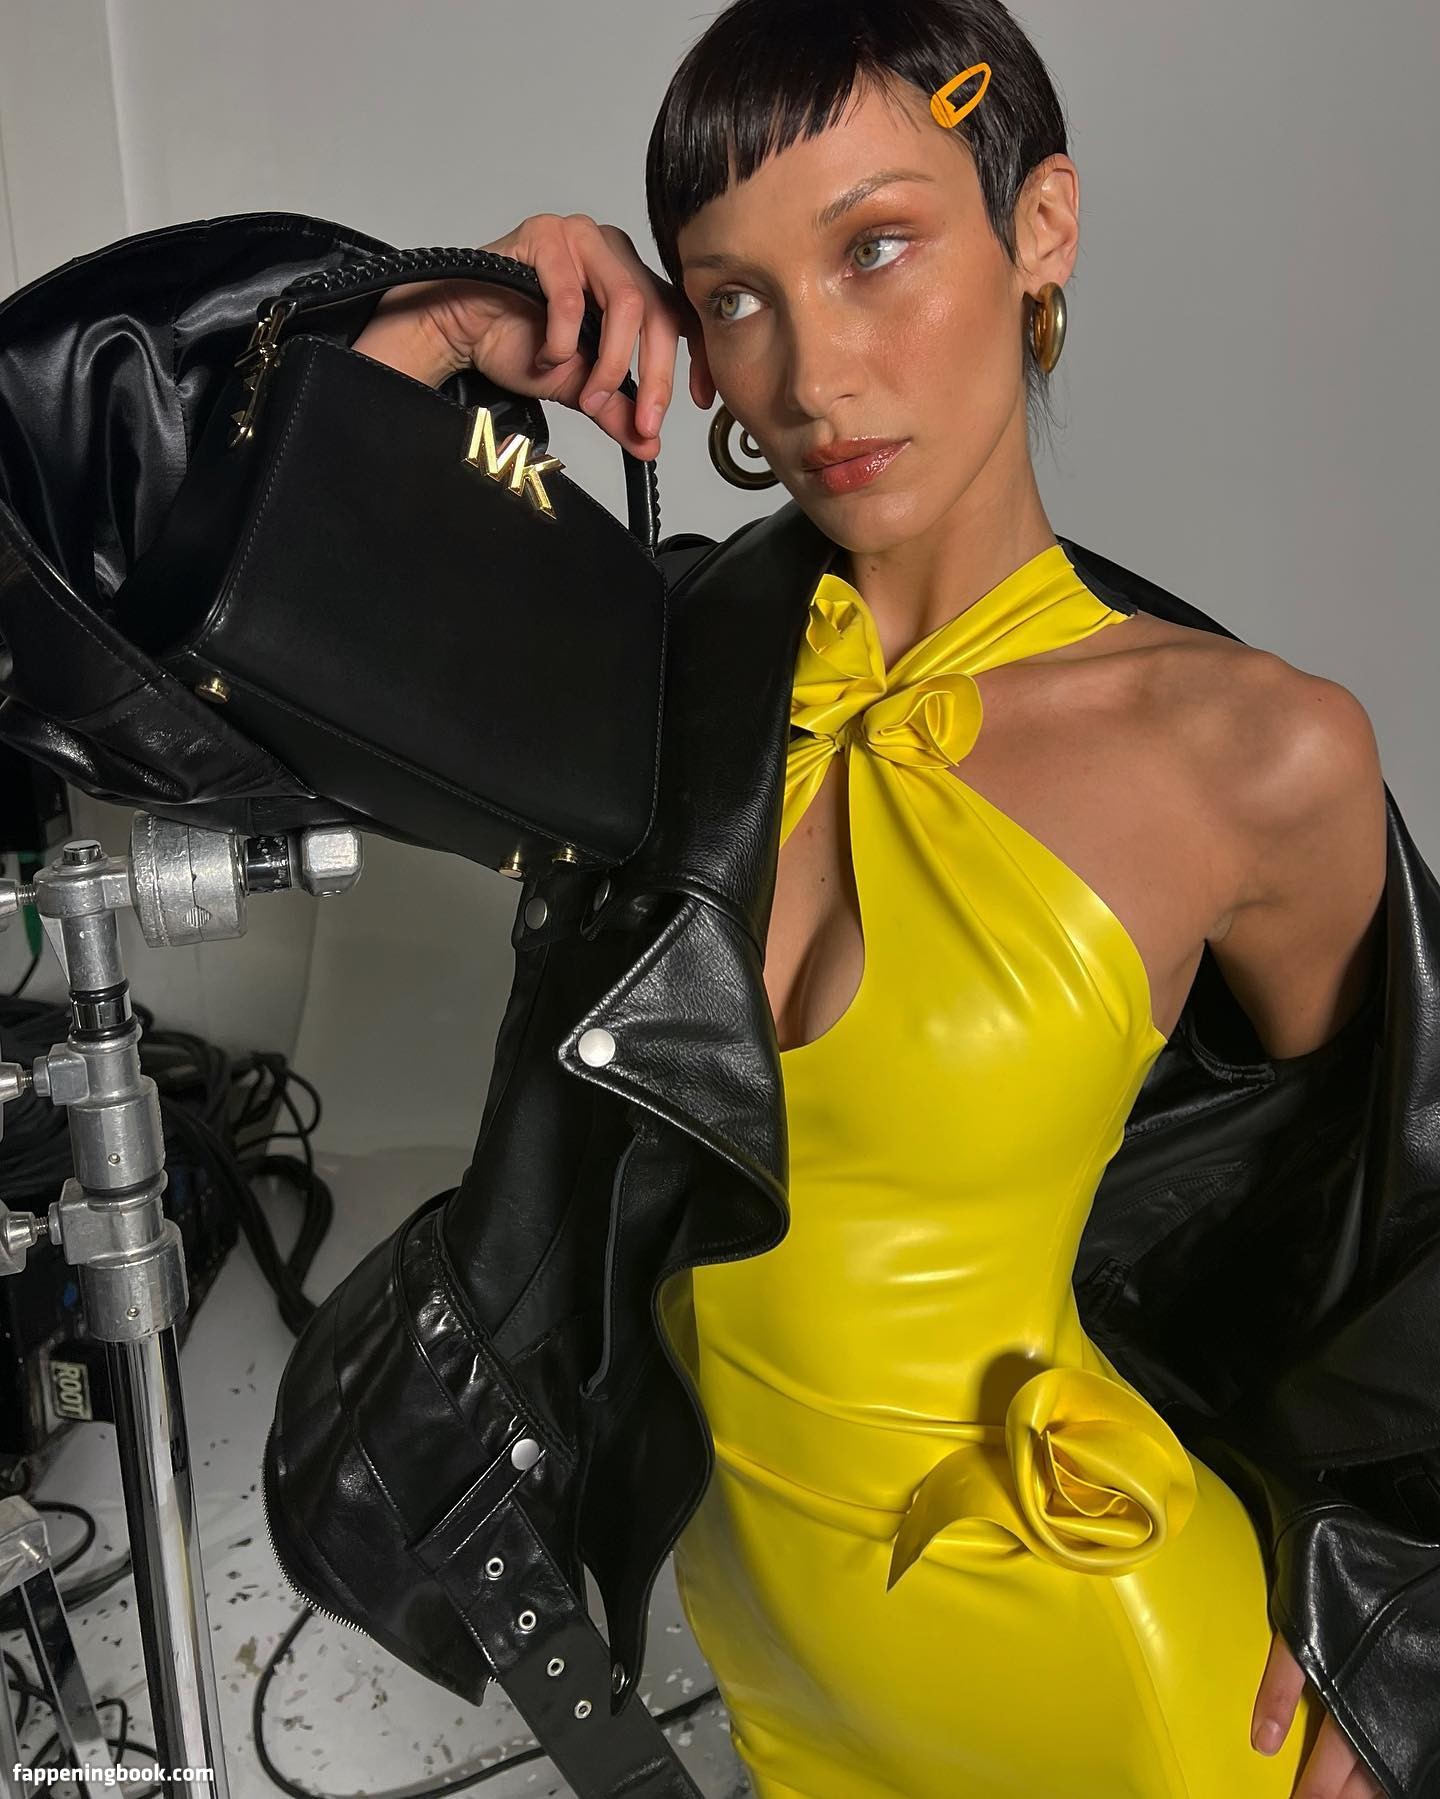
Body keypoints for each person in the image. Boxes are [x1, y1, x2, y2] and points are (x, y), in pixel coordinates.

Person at [346, 3, 1392, 1793]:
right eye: (734, 295)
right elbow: (204, 655)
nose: (811, 374)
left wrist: (1386, 1619)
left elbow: (1378, 1222)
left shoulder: (1253, 753)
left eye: (876, 248)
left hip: (1111, 1672)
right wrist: (436, 324)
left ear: (1041, 226)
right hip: (766, 1664)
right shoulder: (664, 677)